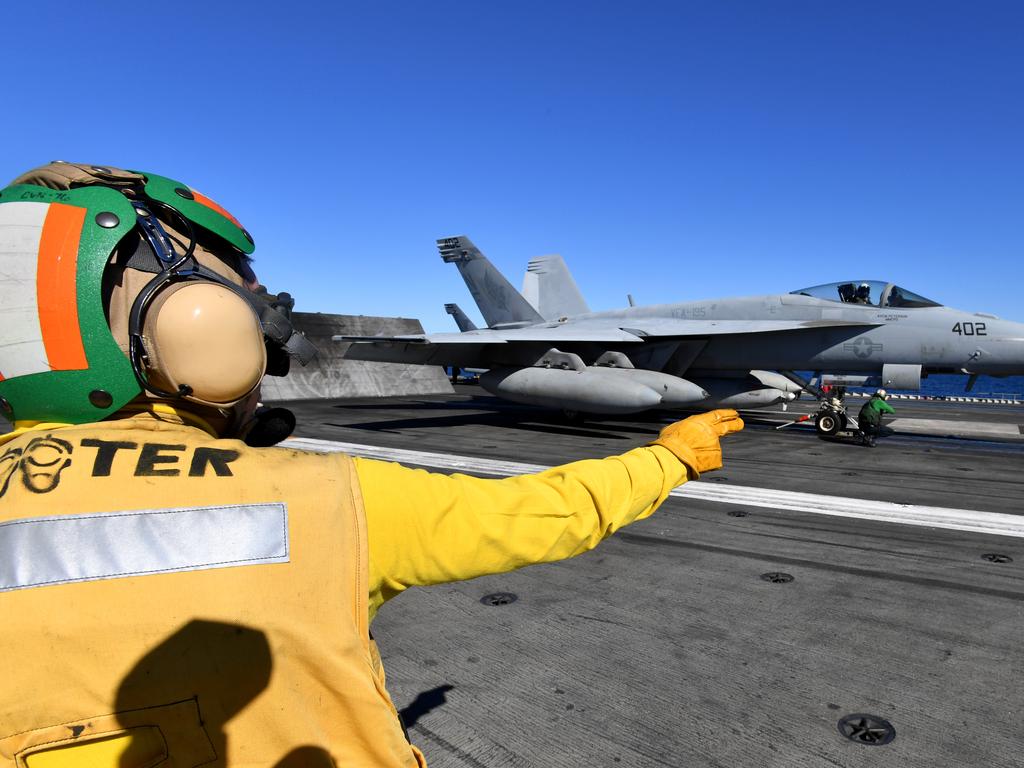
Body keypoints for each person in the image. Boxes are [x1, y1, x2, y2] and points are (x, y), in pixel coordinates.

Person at [0, 162, 743, 767]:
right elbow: (545, 514)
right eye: (257, 323)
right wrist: (671, 457)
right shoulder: (327, 498)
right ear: (198, 325)